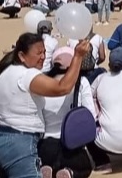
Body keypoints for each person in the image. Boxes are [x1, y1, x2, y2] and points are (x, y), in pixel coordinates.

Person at [0, 33, 90, 178]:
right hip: (21, 143)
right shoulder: (27, 75)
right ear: (22, 56)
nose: (43, 56)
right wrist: (78, 56)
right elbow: (63, 87)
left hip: (2, 137)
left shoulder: (5, 72)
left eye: (44, 52)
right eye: (38, 53)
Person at [38, 47, 96, 178]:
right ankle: (69, 172)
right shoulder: (81, 82)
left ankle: (46, 168)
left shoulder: (43, 82)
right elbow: (90, 114)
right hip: (71, 144)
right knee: (85, 167)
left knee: (46, 160)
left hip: (45, 144)